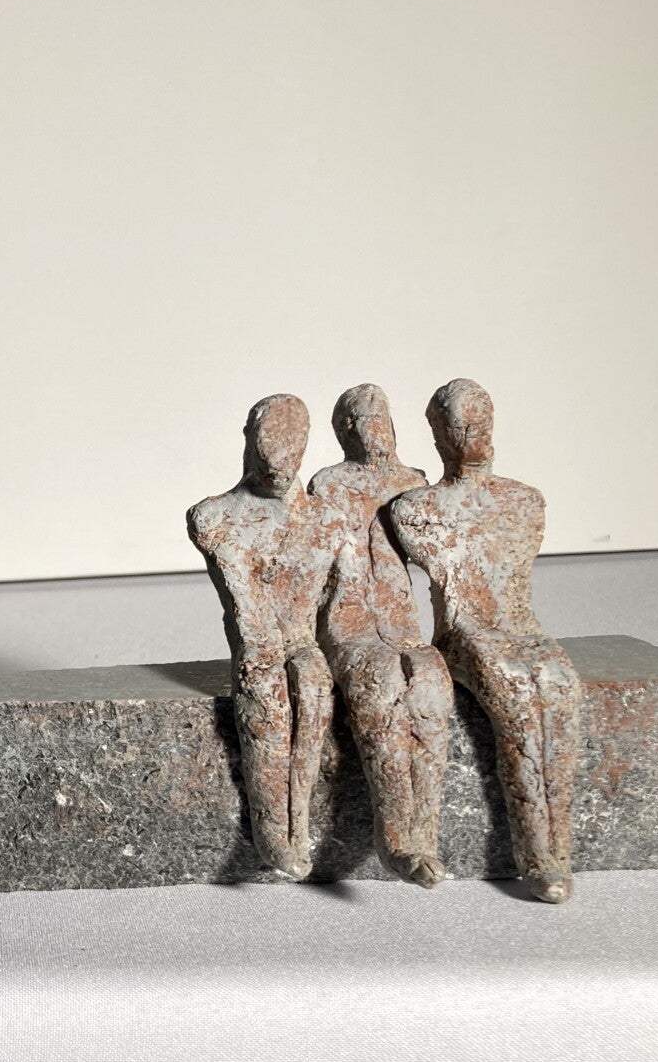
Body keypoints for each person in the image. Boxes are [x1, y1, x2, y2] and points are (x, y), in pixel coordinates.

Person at [388, 379, 583, 902]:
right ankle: (539, 857)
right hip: (464, 633)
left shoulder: (523, 501)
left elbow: (512, 593)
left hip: (522, 629)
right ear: (438, 435)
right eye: (461, 425)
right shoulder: (417, 510)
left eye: (482, 421)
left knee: (561, 685)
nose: (475, 434)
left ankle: (558, 849)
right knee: (516, 690)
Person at [309, 385, 454, 888]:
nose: (375, 429)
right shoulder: (330, 484)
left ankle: (425, 833)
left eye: (381, 417)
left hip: (402, 625)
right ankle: (395, 836)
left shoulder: (412, 481)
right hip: (349, 622)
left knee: (431, 681)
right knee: (380, 683)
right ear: (344, 430)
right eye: (361, 420)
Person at [187, 394, 335, 879]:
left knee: (314, 683)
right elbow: (249, 614)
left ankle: (298, 825)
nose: (280, 466)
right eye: (270, 450)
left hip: (300, 641)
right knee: (265, 685)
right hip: (258, 641)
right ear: (251, 443)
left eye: (292, 452)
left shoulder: (323, 520)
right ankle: (273, 830)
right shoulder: (214, 517)